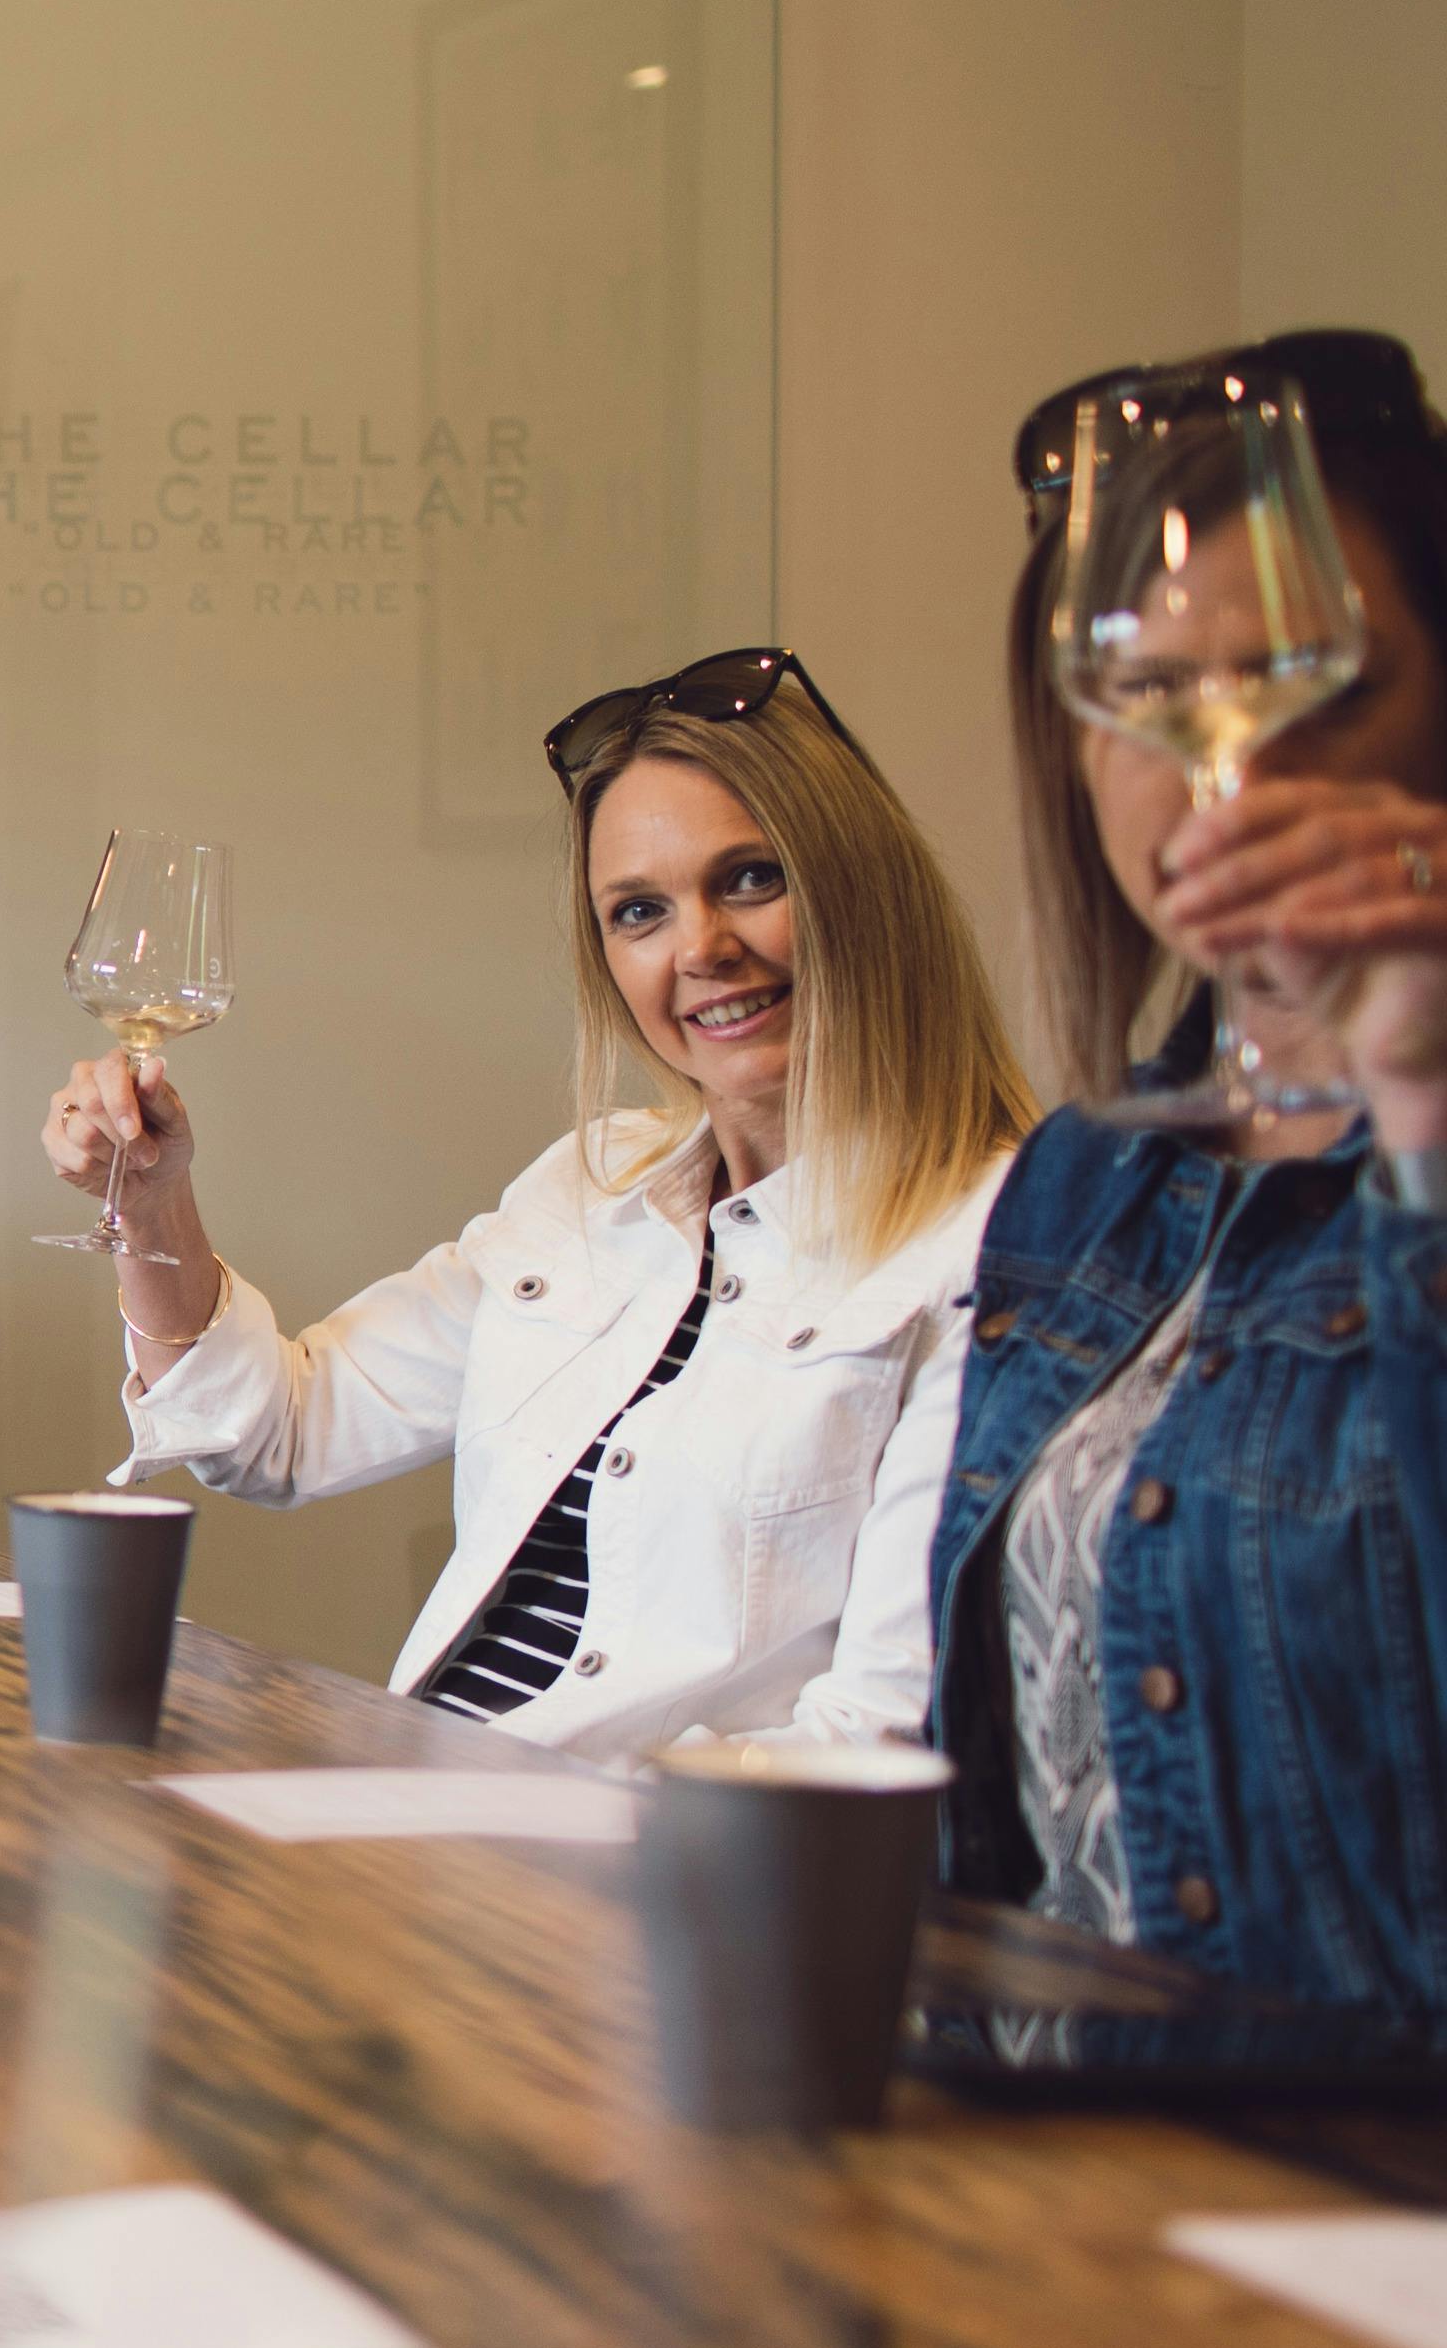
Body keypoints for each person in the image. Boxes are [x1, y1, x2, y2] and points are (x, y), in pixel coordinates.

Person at [51, 652, 1029, 1757]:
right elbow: (281, 1431)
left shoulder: (997, 1244)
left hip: (650, 1882)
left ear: (862, 894)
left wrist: (492, 1836)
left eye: (751, 878)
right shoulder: (589, 1186)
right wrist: (155, 1203)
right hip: (421, 1813)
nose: (700, 948)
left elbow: (871, 1741)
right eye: (639, 911)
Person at [927, 327, 1447, 2013]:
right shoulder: (1087, 1177)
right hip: (1065, 2183)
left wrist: (1422, 1098)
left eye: (1324, 679)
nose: (1239, 770)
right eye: (1144, 699)